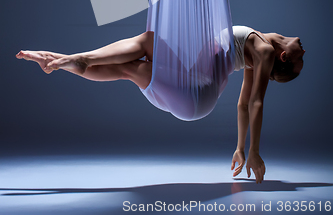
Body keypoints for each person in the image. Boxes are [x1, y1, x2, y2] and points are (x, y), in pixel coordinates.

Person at [16, 26, 304, 183]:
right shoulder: (259, 48)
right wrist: (240, 149)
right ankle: (58, 59)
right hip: (190, 86)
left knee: (145, 46)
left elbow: (255, 102)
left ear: (283, 58)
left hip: (197, 91)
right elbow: (242, 105)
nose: (303, 48)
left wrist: (253, 151)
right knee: (131, 63)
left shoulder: (264, 50)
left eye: (300, 56)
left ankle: (76, 58)